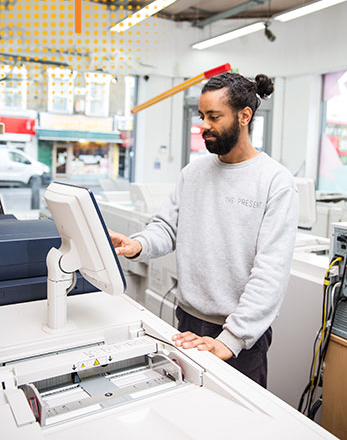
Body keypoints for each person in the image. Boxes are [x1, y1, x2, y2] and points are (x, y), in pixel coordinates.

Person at [109, 72, 298, 388]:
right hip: (188, 322)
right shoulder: (193, 173)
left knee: (237, 427)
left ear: (244, 116)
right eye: (201, 116)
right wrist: (137, 244)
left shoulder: (275, 182)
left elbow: (271, 272)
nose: (204, 125)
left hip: (241, 337)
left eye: (214, 116)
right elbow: (168, 228)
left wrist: (231, 339)